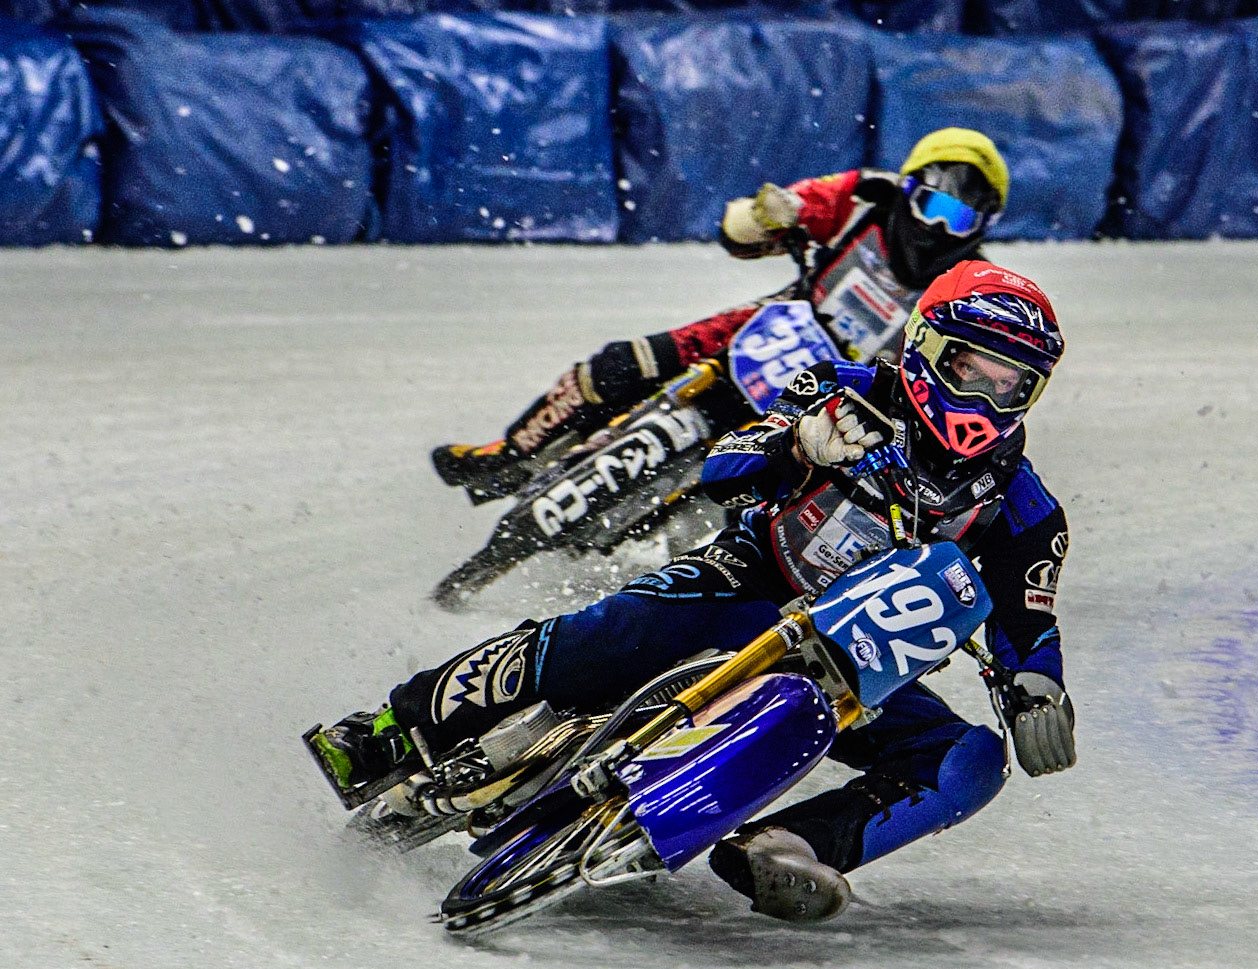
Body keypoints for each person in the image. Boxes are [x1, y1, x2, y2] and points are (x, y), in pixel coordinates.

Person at [315, 261, 1076, 923]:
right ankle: (390, 724)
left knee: (965, 759)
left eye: (1012, 384)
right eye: (972, 367)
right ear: (925, 349)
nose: (987, 394)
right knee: (602, 634)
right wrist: (797, 443)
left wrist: (1038, 693)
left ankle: (785, 847)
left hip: (858, 663)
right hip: (748, 582)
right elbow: (724, 464)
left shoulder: (1025, 509)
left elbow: (1028, 624)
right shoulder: (840, 388)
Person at [431, 127, 1011, 504]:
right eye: (932, 205)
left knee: (809, 493)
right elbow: (749, 231)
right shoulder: (864, 194)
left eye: (960, 221)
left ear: (981, 230)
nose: (937, 229)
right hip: (774, 325)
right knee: (620, 363)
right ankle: (509, 456)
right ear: (907, 186)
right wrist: (767, 216)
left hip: (851, 396)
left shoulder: (972, 286)